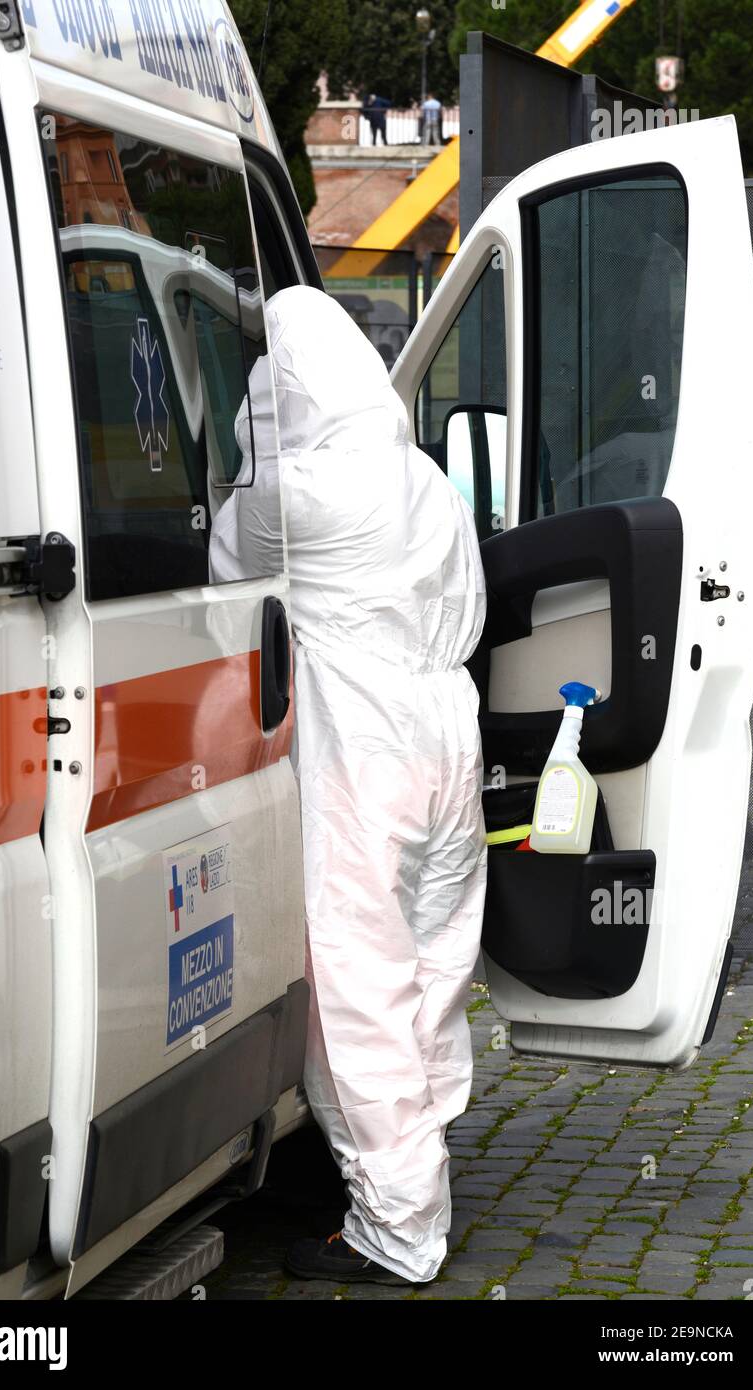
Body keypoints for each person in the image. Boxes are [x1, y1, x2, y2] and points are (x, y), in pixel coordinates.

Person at [211, 286, 487, 1286]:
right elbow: (471, 599)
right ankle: (423, 1153)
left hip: (361, 759)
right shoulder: (419, 480)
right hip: (444, 739)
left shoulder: (292, 499)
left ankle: (399, 1228)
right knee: (430, 971)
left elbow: (221, 570)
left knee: (357, 991)